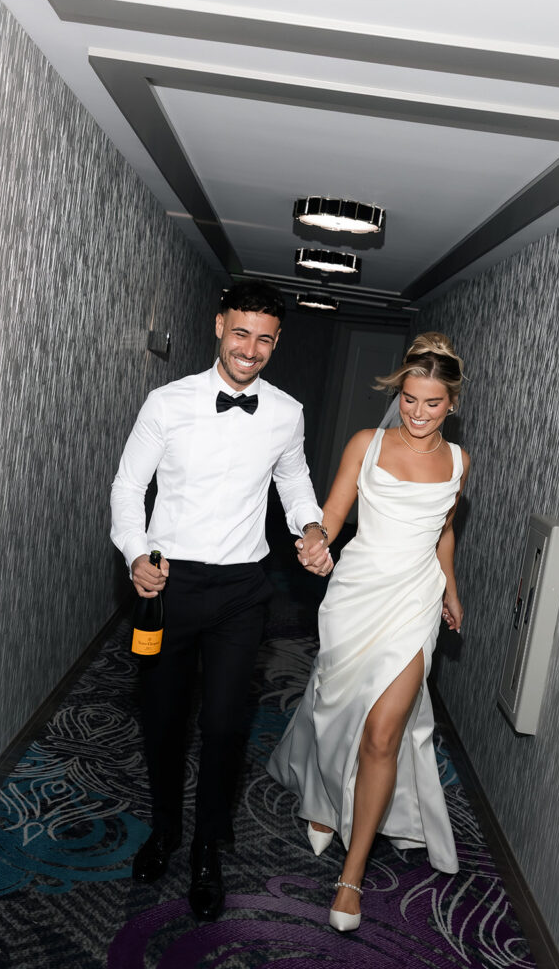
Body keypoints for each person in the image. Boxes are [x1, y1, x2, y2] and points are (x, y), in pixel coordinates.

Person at [110, 282, 331, 921]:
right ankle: (165, 829)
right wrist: (135, 555)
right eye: (240, 333)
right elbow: (128, 487)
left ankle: (207, 847)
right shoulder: (167, 402)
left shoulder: (286, 413)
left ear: (276, 342)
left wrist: (311, 528)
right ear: (218, 327)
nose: (250, 349)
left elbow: (294, 483)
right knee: (163, 719)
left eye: (264, 339)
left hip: (242, 591)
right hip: (170, 586)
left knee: (227, 725)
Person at [267, 331, 470, 932]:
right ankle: (324, 796)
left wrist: (451, 589)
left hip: (414, 601)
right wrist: (315, 541)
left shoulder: (460, 462)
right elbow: (332, 515)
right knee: (336, 709)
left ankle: (351, 876)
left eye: (432, 403)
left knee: (383, 733)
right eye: (409, 399)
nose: (418, 413)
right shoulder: (367, 442)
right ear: (397, 393)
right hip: (355, 595)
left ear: (452, 403)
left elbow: (443, 530)